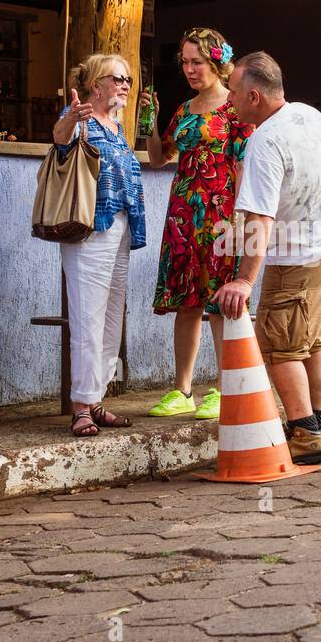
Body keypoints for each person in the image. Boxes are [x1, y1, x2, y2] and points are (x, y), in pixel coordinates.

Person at [213, 52, 321, 466]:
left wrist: (244, 281)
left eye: (234, 93)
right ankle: (315, 422)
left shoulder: (264, 141)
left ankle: (306, 435)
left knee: (280, 346)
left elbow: (260, 219)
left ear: (254, 95)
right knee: (315, 341)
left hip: (299, 255)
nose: (229, 101)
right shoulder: (309, 115)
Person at [141, 27, 252, 421]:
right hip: (183, 215)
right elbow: (158, 158)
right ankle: (183, 390)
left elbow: (242, 165)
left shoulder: (236, 110)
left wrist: (242, 220)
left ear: (217, 62)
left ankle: (224, 389)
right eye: (185, 62)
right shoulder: (185, 110)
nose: (189, 69)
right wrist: (149, 122)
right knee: (187, 302)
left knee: (220, 303)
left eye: (197, 62)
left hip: (222, 216)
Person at [52, 54, 146, 437]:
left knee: (110, 318)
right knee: (87, 316)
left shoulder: (116, 124)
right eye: (118, 78)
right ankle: (80, 407)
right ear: (96, 85)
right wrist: (71, 118)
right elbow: (59, 139)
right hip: (90, 228)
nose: (126, 84)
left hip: (121, 228)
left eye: (128, 78)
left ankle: (96, 399)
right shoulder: (81, 119)